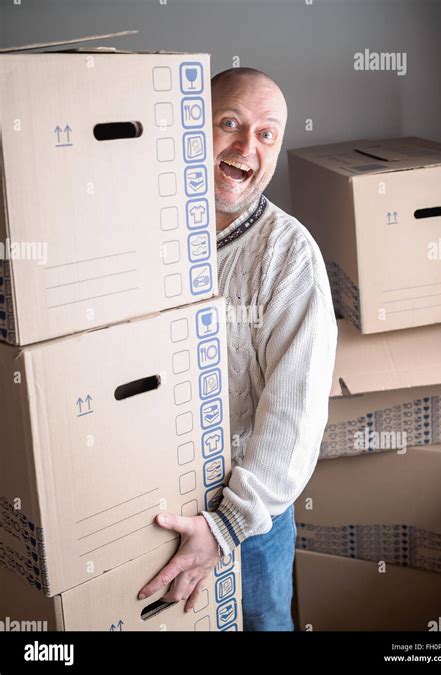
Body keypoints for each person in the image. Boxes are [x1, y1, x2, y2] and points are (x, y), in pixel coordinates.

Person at [138, 67, 338, 631]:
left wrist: (225, 527)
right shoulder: (140, 233)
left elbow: (295, 419)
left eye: (266, 133)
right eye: (230, 123)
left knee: (261, 624)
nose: (247, 146)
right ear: (191, 125)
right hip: (152, 505)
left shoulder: (290, 256)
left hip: (249, 518)